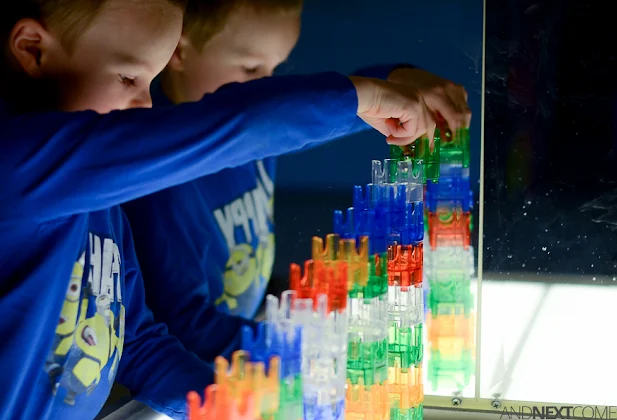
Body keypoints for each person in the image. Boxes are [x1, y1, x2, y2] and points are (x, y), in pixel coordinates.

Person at [0, 0, 448, 420]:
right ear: (32, 50)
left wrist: (245, 407)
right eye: (127, 78)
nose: (147, 105)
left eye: (150, 82)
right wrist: (364, 96)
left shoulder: (101, 199)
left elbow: (136, 342)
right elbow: (229, 128)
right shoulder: (17, 166)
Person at [123, 0, 472, 362]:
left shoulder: (254, 129)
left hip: (242, 336)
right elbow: (183, 328)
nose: (266, 89)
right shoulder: (158, 176)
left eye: (273, 70)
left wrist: (395, 79)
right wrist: (310, 349)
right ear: (177, 51)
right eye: (250, 67)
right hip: (198, 373)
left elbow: (306, 113)